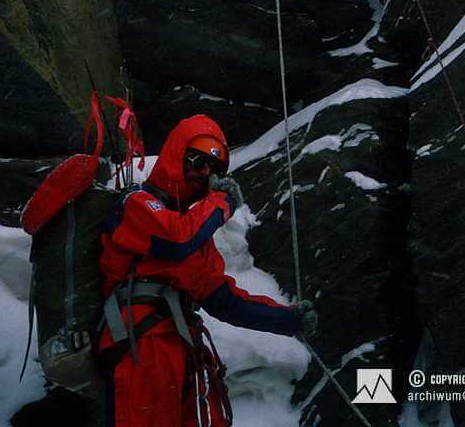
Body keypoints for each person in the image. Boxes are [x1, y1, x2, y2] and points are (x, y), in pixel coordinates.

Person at [97, 114, 317, 426]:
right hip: (142, 343)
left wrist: (287, 320)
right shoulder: (135, 203)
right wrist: (222, 202)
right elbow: (175, 240)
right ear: (175, 155)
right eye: (197, 161)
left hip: (184, 347)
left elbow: (224, 300)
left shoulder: (196, 240)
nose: (204, 173)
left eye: (214, 168)